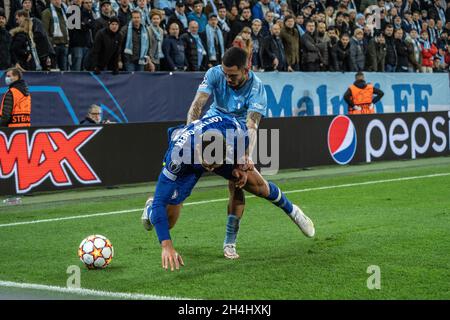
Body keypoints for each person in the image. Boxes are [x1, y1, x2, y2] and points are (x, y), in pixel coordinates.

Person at [141, 114, 315, 270]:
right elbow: (160, 202)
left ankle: (293, 211)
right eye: (207, 165)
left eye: (214, 166)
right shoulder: (177, 159)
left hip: (211, 150)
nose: (210, 170)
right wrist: (166, 245)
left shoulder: (232, 129)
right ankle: (149, 210)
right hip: (189, 164)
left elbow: (245, 139)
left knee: (259, 186)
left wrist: (242, 161)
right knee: (167, 221)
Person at [185, 47, 268, 259]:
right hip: (213, 123)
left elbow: (252, 124)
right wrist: (191, 136)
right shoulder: (215, 73)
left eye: (233, 75)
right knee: (183, 168)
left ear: (245, 70)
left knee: (238, 181)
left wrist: (246, 155)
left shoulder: (257, 87)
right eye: (225, 74)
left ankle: (229, 242)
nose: (227, 78)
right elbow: (197, 105)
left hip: (238, 131)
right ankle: (156, 204)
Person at [41, 0, 69, 71]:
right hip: (53, 47)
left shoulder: (65, 11)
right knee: (53, 70)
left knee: (64, 70)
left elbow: (67, 28)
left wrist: (67, 43)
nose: (57, 1)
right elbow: (44, 31)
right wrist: (52, 44)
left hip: (64, 45)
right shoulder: (47, 12)